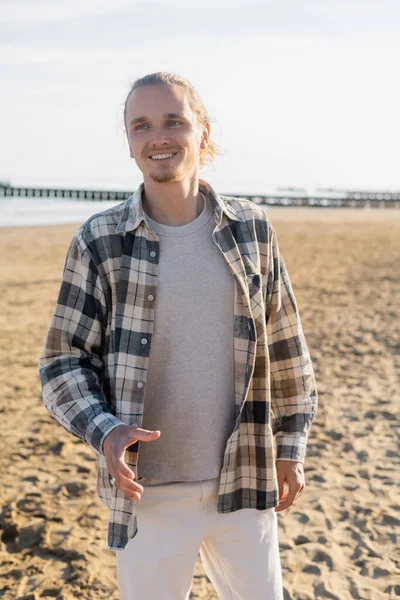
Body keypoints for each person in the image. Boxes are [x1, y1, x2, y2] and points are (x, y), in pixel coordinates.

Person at [38, 71, 318, 600]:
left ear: (203, 134)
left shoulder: (252, 229)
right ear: (129, 142)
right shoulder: (99, 241)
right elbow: (62, 361)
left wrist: (292, 446)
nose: (157, 137)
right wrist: (104, 430)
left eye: (174, 121)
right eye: (141, 125)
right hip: (148, 495)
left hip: (245, 480)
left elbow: (287, 349)